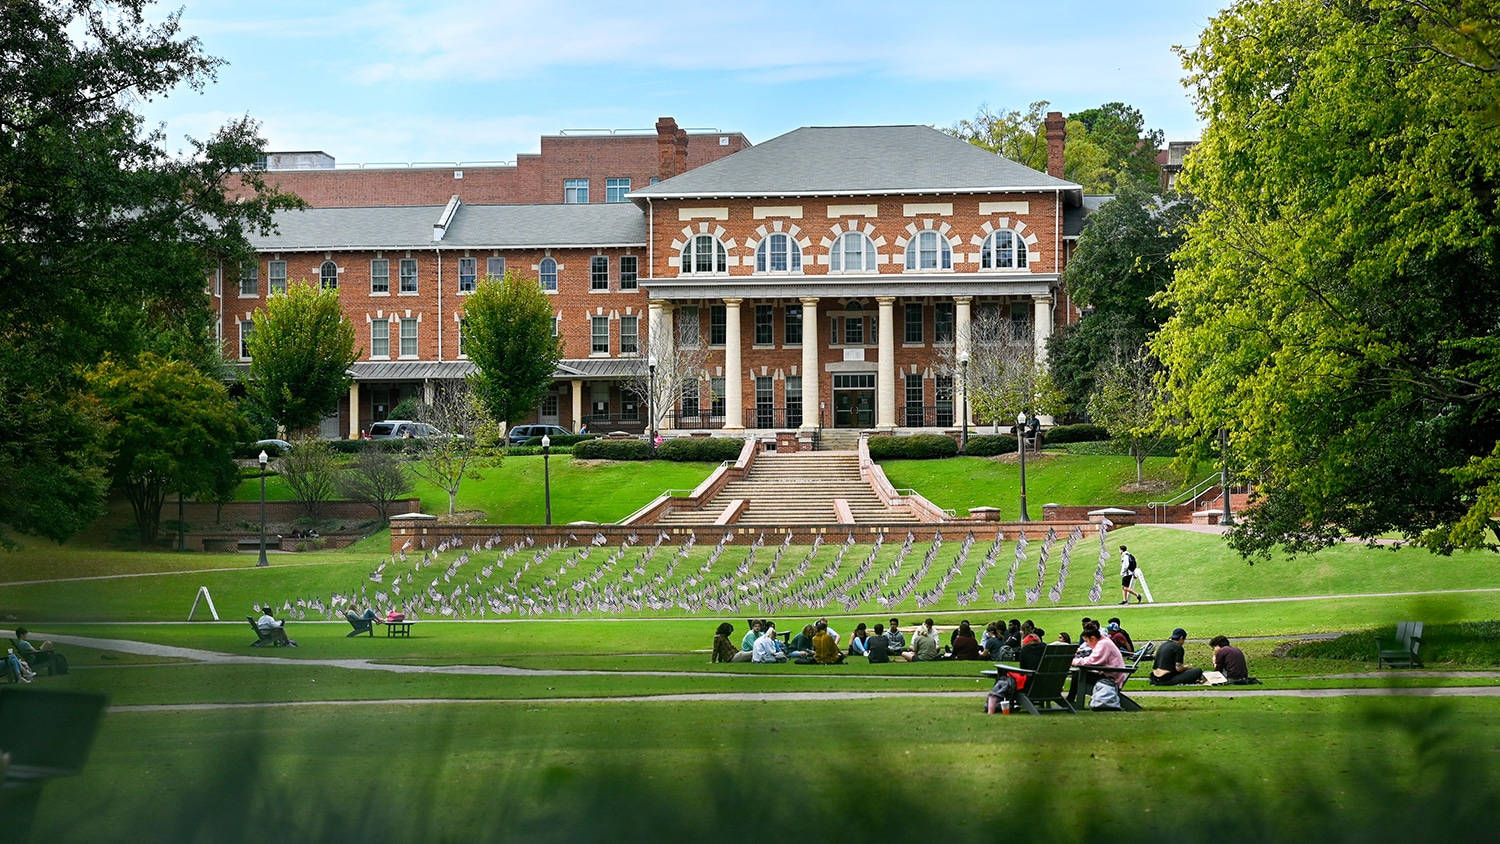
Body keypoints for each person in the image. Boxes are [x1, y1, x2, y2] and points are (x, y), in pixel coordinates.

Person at [1071, 627, 1125, 705]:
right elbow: (1094, 660)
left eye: (1086, 641)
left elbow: (1091, 661)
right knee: (1078, 674)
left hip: (1111, 679)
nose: (1087, 644)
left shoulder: (1103, 644)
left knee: (1078, 675)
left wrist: (1073, 661)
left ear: (1093, 638)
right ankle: (1070, 700)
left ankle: (1071, 700)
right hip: (1111, 675)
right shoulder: (1104, 642)